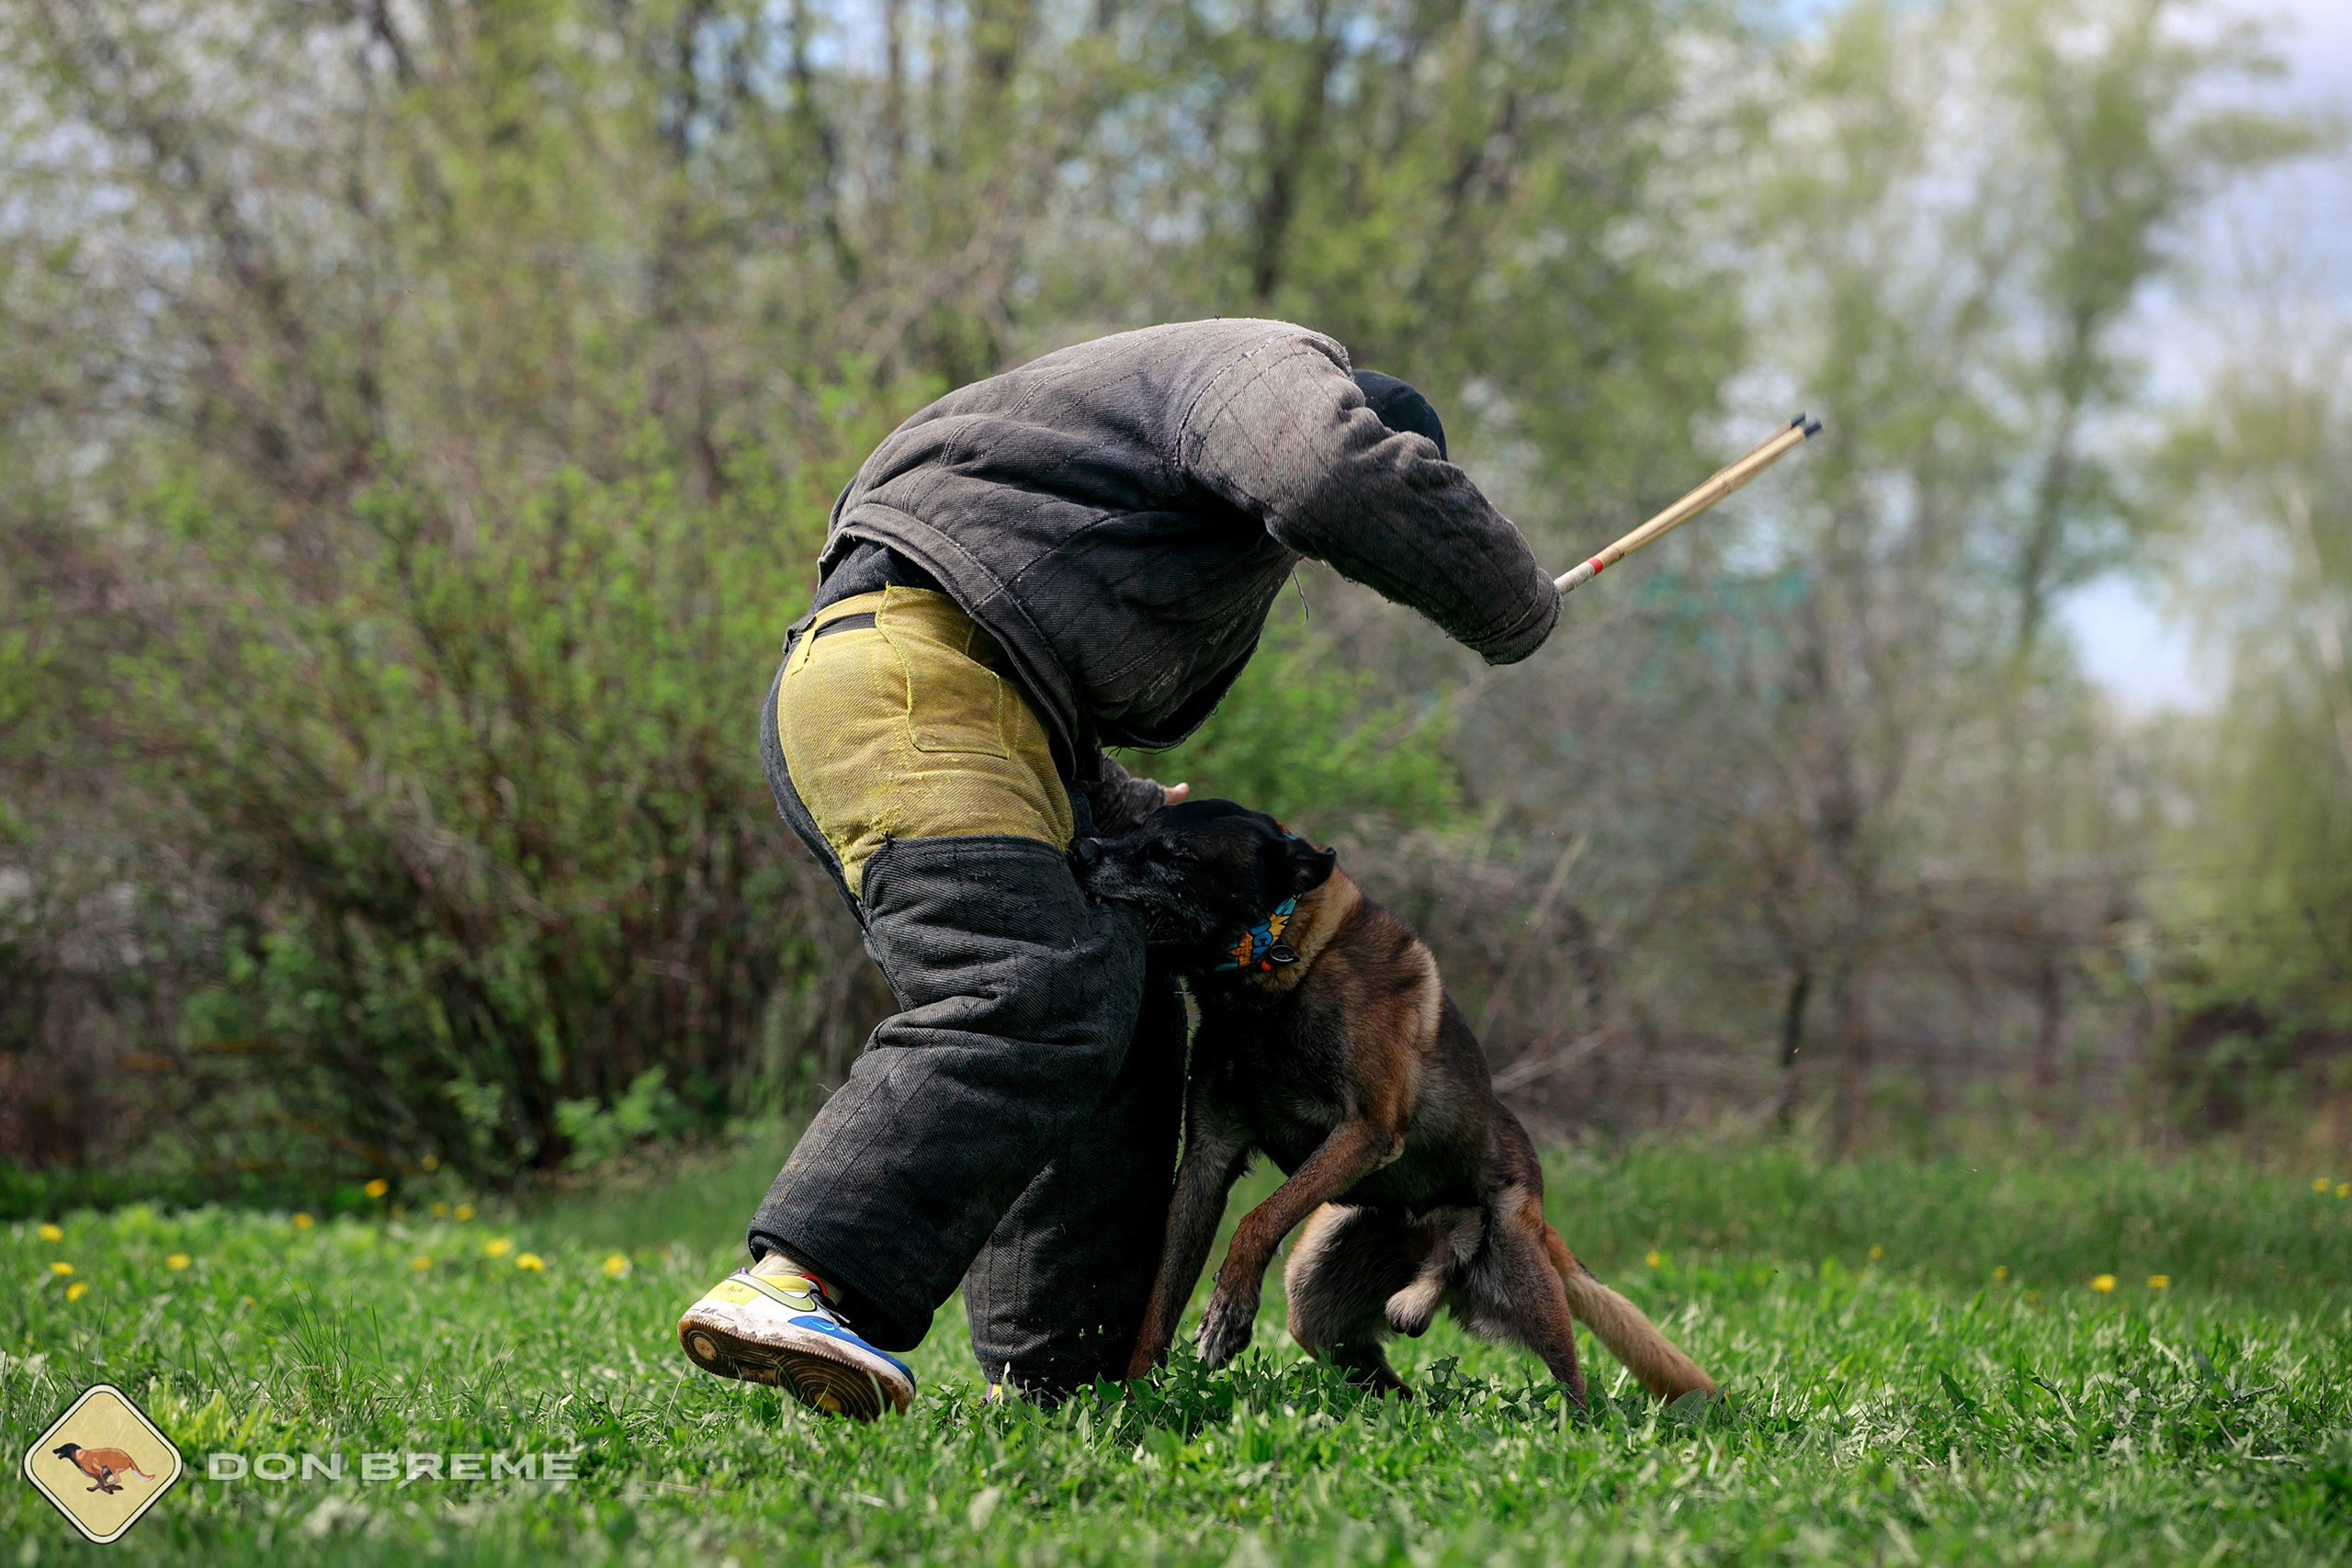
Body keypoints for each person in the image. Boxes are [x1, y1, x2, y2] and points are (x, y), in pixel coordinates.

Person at [675, 318, 1560, 1418]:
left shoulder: (1122, 423)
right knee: (1030, 981)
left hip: (955, 696)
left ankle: (1061, 1379)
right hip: (905, 685)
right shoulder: (1266, 368)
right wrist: (1513, 602)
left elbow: (1014, 613)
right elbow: (1330, 473)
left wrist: (1116, 803)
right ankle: (799, 1281)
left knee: (1124, 994)